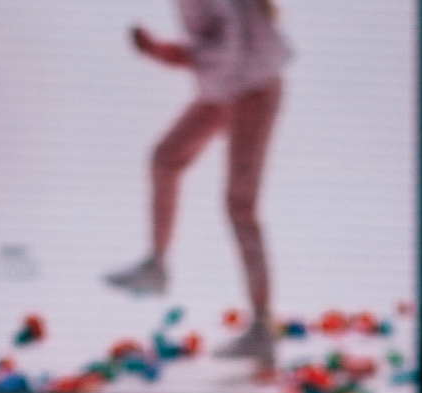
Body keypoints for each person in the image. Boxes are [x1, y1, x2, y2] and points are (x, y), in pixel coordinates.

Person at [104, 0, 292, 365]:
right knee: (165, 159)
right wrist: (167, 53)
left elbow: (228, 48)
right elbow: (220, 48)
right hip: (228, 86)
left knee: (240, 205)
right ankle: (156, 268)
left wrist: (167, 53)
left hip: (252, 86)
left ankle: (262, 329)